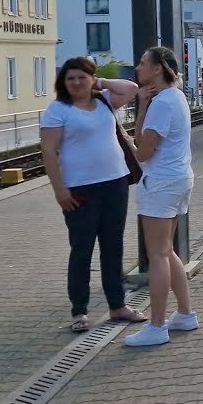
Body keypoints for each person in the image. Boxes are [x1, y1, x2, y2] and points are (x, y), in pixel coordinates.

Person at [40, 57, 148, 333]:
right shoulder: (58, 110)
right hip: (79, 189)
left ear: (91, 79)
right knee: (82, 249)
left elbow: (132, 87)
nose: (76, 83)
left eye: (82, 77)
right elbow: (49, 152)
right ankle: (80, 311)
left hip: (115, 183)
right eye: (70, 78)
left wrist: (99, 82)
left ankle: (117, 305)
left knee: (113, 247)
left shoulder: (104, 102)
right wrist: (59, 190)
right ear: (62, 83)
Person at [125, 46, 198, 347]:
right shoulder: (174, 97)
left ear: (157, 68)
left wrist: (126, 142)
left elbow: (143, 150)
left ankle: (156, 326)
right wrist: (142, 105)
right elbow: (146, 139)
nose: (138, 68)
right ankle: (185, 313)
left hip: (161, 183)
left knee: (156, 255)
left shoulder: (164, 103)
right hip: (179, 178)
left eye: (143, 63)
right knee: (167, 251)